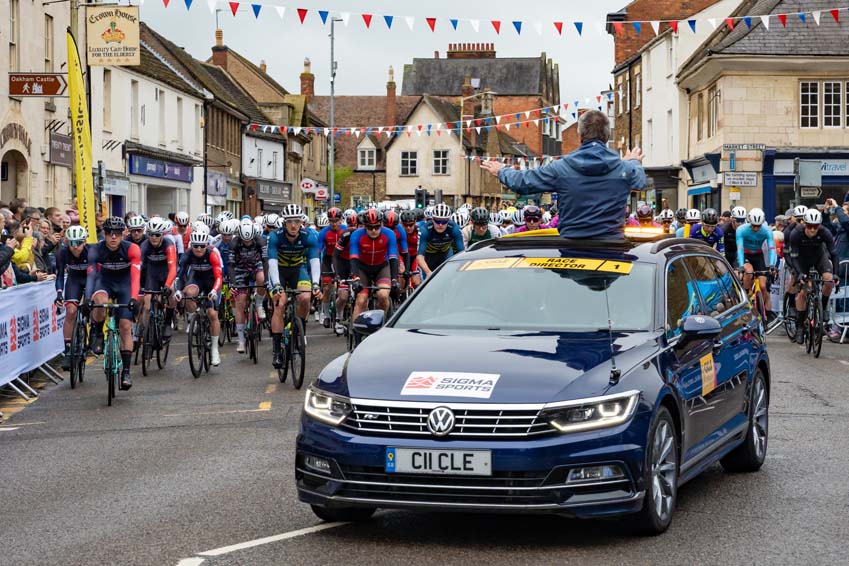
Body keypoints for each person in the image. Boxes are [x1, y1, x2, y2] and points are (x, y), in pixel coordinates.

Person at [481, 110, 645, 239]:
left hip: (572, 248)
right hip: (611, 250)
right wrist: (632, 162)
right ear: (607, 135)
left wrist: (502, 170)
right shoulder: (624, 169)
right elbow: (640, 181)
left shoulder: (561, 167)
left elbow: (523, 183)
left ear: (580, 135)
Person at [85, 217, 141, 390]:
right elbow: (92, 276)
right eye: (109, 233)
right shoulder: (95, 250)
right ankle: (97, 332)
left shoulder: (132, 249)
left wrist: (133, 298)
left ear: (123, 234)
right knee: (99, 302)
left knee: (125, 326)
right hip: (105, 283)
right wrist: (88, 298)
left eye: (117, 233)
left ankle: (126, 371)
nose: (113, 237)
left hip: (124, 285)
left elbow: (135, 276)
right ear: (104, 234)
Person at [267, 204, 322, 370]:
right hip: (280, 272)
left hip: (298, 270)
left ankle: (300, 330)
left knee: (305, 298)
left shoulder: (308, 237)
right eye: (290, 221)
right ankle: (277, 351)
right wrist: (276, 284)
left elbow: (314, 261)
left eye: (297, 221)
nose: (293, 225)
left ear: (301, 223)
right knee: (280, 304)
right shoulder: (275, 236)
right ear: (284, 222)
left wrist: (315, 284)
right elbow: (272, 263)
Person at [174, 226, 224, 366]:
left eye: (202, 246)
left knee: (212, 313)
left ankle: (214, 349)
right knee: (188, 294)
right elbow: (179, 276)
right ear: (192, 245)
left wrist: (214, 291)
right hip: (196, 279)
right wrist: (178, 290)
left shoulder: (213, 254)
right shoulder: (188, 254)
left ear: (206, 245)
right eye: (195, 246)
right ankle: (193, 318)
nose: (198, 249)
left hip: (212, 281)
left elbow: (219, 276)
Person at [788, 209, 839, 344]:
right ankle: (799, 327)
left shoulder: (825, 232)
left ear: (819, 225)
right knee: (803, 292)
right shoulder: (796, 234)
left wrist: (836, 274)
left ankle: (823, 308)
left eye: (815, 226)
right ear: (804, 224)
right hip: (801, 261)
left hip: (819, 258)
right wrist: (799, 274)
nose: (812, 229)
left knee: (828, 280)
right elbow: (793, 258)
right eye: (809, 226)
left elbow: (834, 254)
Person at [349, 209, 399, 319]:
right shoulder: (356, 235)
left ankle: (380, 321)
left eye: (377, 227)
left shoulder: (389, 234)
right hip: (363, 268)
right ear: (365, 226)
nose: (374, 230)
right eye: (370, 228)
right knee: (361, 300)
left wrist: (394, 279)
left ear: (381, 224)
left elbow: (393, 258)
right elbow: (353, 258)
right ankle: (357, 330)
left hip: (381, 267)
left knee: (383, 295)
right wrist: (356, 278)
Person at [54, 226, 91, 370]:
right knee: (70, 312)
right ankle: (68, 352)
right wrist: (58, 293)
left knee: (93, 307)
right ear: (67, 242)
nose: (75, 247)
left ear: (85, 241)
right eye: (72, 243)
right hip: (74, 280)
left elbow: (97, 275)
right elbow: (59, 276)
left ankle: (94, 333)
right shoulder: (62, 253)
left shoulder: (91, 252)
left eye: (79, 243)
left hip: (90, 279)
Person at [228, 219, 267, 353]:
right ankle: (241, 340)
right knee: (240, 302)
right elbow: (231, 265)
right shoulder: (234, 243)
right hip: (240, 270)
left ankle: (259, 304)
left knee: (262, 278)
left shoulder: (260, 241)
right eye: (245, 241)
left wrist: (266, 280)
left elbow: (265, 260)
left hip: (256, 266)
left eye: (249, 241)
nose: (247, 243)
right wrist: (233, 283)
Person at [139, 217, 178, 338]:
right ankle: (144, 332)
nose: (154, 237)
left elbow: (172, 269)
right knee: (146, 305)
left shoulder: (169, 244)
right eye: (151, 234)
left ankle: (167, 322)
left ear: (162, 234)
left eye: (157, 234)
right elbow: (140, 267)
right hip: (152, 274)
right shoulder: (144, 245)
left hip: (166, 273)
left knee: (171, 291)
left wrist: (167, 285)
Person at [736, 208, 778, 320]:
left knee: (763, 286)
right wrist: (741, 265)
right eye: (753, 225)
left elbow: (771, 248)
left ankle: (762, 309)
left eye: (758, 226)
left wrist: (772, 265)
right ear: (749, 222)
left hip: (758, 256)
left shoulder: (766, 230)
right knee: (748, 272)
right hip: (745, 255)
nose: (755, 228)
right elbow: (739, 248)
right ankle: (746, 297)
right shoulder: (741, 230)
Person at [417, 203, 464, 277]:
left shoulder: (454, 228)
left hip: (445, 254)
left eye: (444, 221)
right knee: (427, 279)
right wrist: (428, 272)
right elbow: (420, 257)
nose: (440, 224)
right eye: (437, 221)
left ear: (448, 220)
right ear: (432, 219)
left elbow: (462, 253)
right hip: (429, 256)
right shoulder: (425, 230)